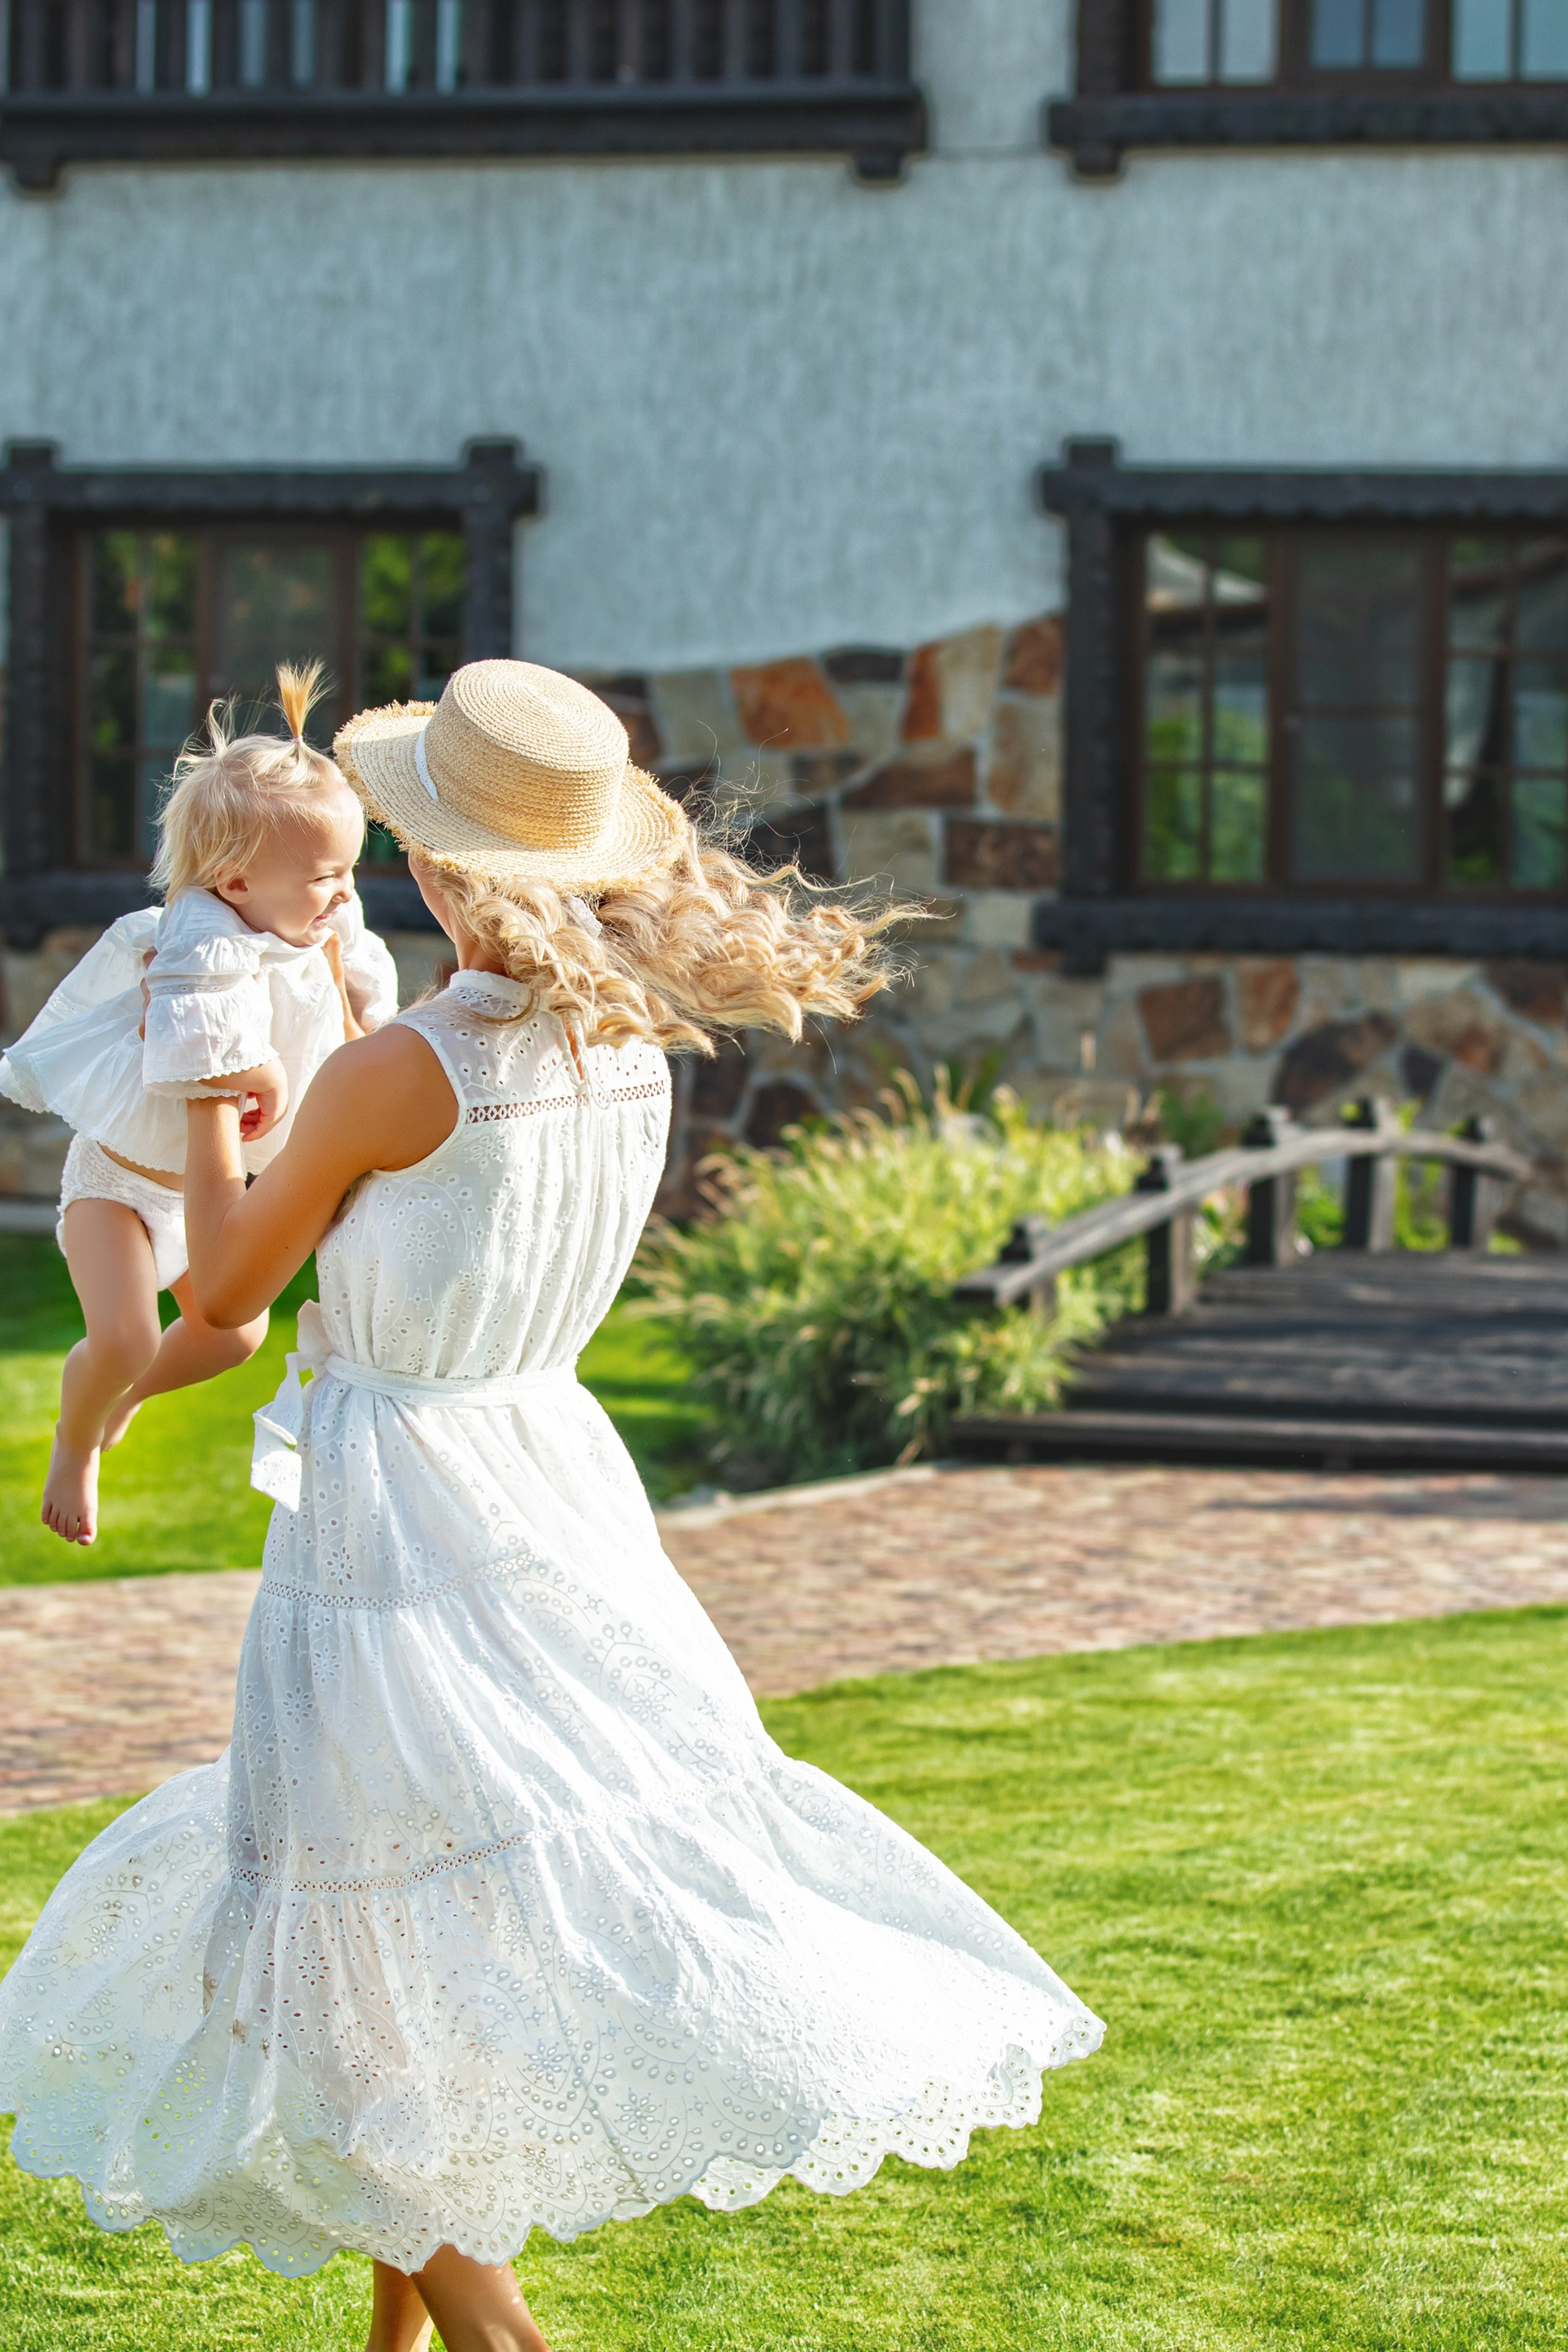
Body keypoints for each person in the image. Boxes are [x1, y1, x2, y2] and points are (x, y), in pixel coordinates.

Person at [0, 660, 1102, 2352]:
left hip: (390, 1521)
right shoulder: (630, 1051)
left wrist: (216, 1101)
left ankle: (500, 2335)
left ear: (435, 864)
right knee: (419, 1907)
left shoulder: (399, 1070)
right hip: (550, 1495)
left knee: (341, 1932)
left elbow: (220, 1284)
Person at [0, 664, 398, 1545]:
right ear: (233, 882)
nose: (343, 892)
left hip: (201, 1197)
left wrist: (361, 1013)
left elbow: (358, 1012)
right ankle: (76, 1440)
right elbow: (202, 1035)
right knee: (126, 1337)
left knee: (233, 1335)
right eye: (323, 875)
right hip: (119, 1185)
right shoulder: (196, 937)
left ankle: (125, 1399)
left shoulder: (319, 926)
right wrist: (263, 1072)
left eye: (349, 870)